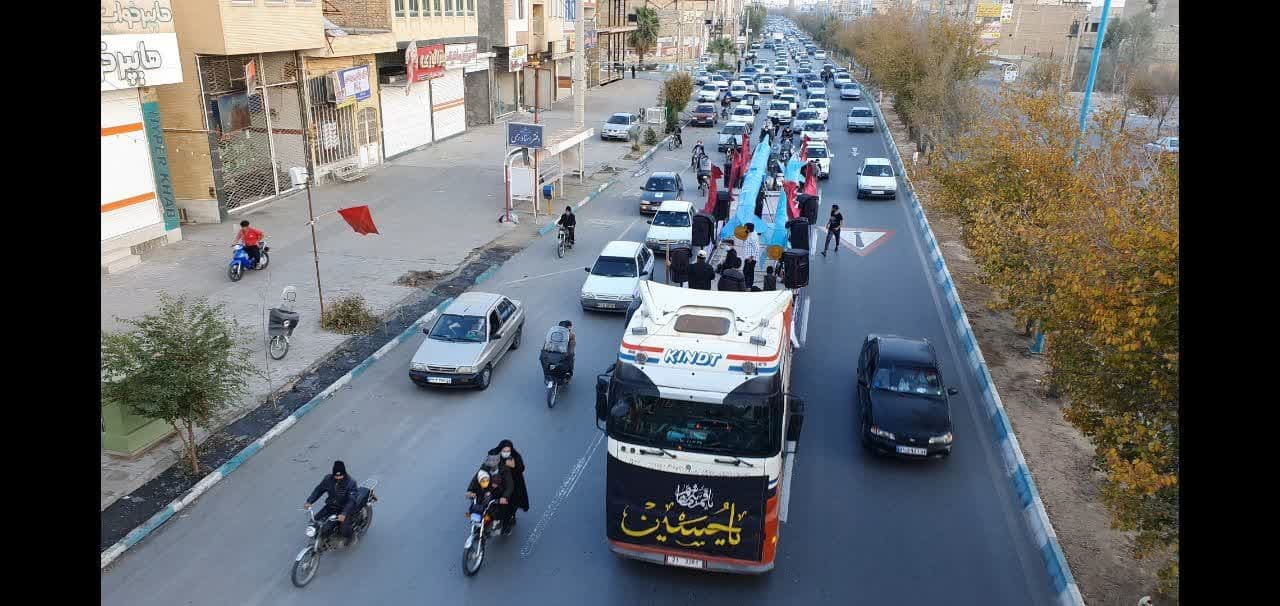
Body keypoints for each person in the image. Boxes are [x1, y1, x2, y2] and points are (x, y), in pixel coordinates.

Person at [304, 461, 359, 545]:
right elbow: (319, 490)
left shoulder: (351, 483)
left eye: (340, 476)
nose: (338, 478)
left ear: (344, 473)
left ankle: (351, 537)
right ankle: (323, 537)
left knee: (344, 529)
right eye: (336, 476)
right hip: (331, 506)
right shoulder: (328, 479)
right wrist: (309, 501)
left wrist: (344, 513)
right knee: (313, 522)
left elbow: (351, 500)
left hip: (345, 509)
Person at [467, 454, 515, 534]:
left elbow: (510, 485)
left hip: (501, 491)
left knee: (505, 507)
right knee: (478, 503)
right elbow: (475, 480)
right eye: (490, 461)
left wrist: (505, 496)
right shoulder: (484, 468)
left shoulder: (504, 470)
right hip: (488, 489)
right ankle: (481, 523)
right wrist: (470, 490)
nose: (492, 464)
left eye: (494, 461)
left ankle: (506, 525)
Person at [492, 440, 529, 517]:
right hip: (500, 480)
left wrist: (514, 466)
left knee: (513, 500)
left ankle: (510, 517)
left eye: (508, 450)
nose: (506, 452)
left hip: (515, 480)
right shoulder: (497, 455)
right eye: (504, 450)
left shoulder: (516, 456)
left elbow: (521, 468)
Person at [741, 223, 761, 289]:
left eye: (745, 227)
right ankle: (749, 285)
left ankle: (747, 285)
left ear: (749, 229)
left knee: (746, 271)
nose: (744, 228)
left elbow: (756, 247)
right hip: (748, 256)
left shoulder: (753, 236)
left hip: (751, 258)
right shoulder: (750, 234)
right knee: (749, 272)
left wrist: (751, 257)